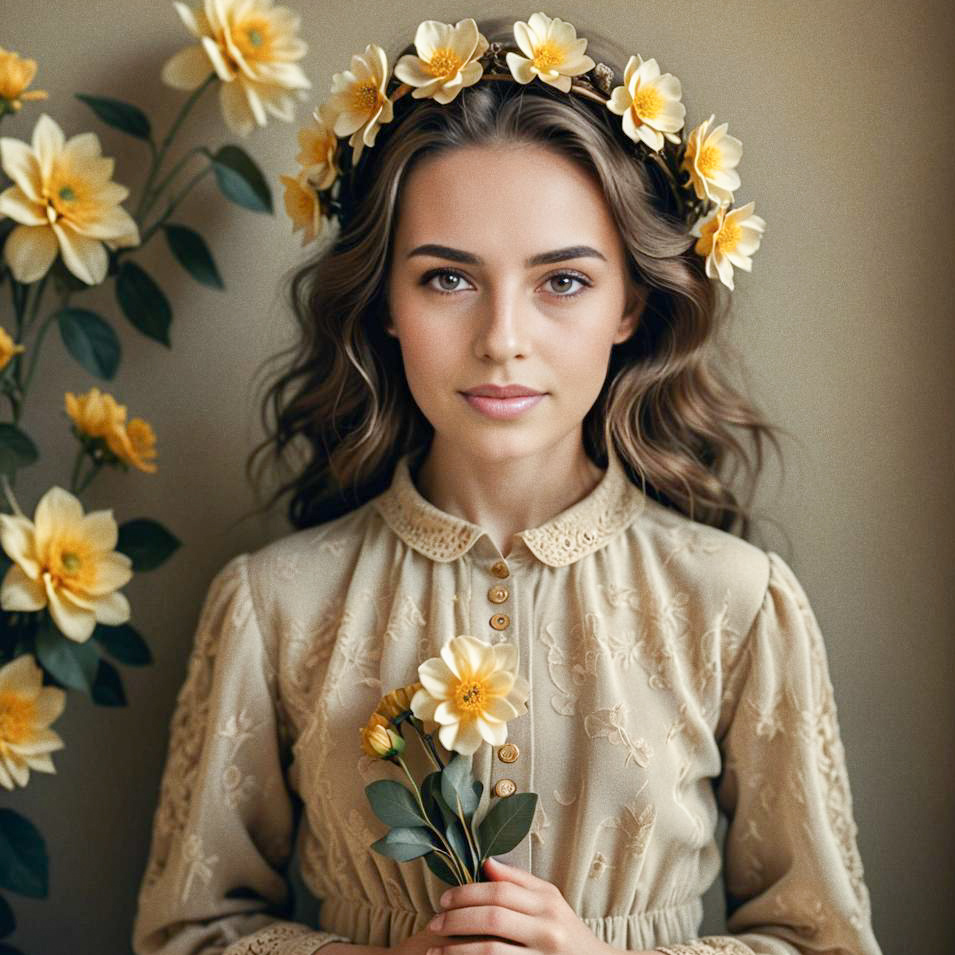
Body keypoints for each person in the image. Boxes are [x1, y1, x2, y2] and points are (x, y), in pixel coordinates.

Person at [131, 11, 883, 955]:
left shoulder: (736, 603)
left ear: (629, 306)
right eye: (448, 279)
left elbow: (825, 940)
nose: (502, 339)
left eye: (560, 281)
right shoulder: (272, 604)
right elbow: (184, 935)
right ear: (385, 305)